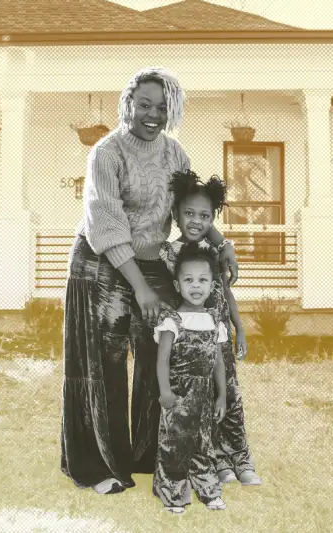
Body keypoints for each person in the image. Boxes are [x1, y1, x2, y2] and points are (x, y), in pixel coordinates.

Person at [60, 66, 239, 495]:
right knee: (101, 363)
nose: (152, 114)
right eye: (144, 105)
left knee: (158, 352)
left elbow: (187, 210)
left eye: (162, 107)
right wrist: (140, 287)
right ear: (129, 104)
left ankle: (146, 454)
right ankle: (99, 466)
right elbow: (105, 222)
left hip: (151, 262)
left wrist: (220, 240)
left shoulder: (176, 155)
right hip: (100, 263)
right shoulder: (106, 152)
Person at [160, 169, 262, 486]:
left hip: (217, 336)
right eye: (189, 213)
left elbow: (226, 292)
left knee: (229, 394)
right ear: (176, 214)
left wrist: (239, 327)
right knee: (204, 402)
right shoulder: (168, 253)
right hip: (190, 345)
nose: (196, 221)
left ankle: (241, 457)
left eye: (204, 215)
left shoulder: (215, 252)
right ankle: (218, 459)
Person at [153, 242, 228, 513]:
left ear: (211, 286)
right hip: (178, 392)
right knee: (175, 443)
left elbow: (218, 362)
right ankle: (172, 492)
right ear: (177, 286)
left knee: (203, 443)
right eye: (188, 280)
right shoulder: (172, 321)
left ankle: (208, 489)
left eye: (202, 280)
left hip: (205, 394)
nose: (196, 286)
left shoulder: (213, 320)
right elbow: (161, 361)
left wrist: (221, 396)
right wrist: (165, 392)